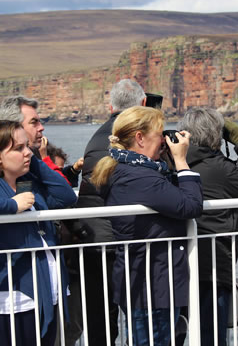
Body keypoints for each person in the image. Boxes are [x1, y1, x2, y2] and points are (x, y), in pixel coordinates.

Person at [0, 120, 77, 345]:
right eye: (18, 148)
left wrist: (35, 162)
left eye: (27, 146)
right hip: (10, 297)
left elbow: (66, 196)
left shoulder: (25, 183)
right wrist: (11, 206)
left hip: (43, 290)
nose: (27, 152)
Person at [90, 106, 203, 346]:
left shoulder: (125, 169)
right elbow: (190, 206)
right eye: (159, 134)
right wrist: (181, 161)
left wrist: (167, 161)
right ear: (139, 138)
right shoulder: (139, 178)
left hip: (144, 279)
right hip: (152, 283)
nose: (164, 139)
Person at [63, 78, 147, 346]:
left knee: (100, 319)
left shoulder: (95, 138)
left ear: (110, 106)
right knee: (139, 315)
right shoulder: (138, 139)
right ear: (143, 104)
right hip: (124, 239)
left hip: (90, 238)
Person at [178, 108, 238, 346]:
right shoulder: (221, 169)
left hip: (176, 264)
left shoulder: (174, 162)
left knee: (175, 331)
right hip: (214, 267)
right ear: (217, 136)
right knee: (212, 335)